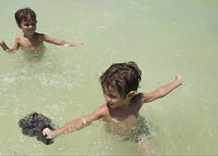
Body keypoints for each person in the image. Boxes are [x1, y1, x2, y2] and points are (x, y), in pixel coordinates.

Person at [42, 61, 183, 149]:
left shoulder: (138, 100)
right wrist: (55, 133)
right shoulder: (105, 111)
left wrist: (176, 82)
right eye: (105, 93)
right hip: (116, 137)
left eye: (112, 96)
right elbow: (83, 121)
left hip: (140, 133)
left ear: (130, 95)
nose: (106, 98)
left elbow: (159, 92)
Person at [0, 7, 83, 52]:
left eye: (33, 24)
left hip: (41, 57)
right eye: (26, 24)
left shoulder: (41, 37)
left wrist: (74, 44)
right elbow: (12, 52)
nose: (30, 26)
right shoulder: (19, 39)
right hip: (28, 60)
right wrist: (3, 44)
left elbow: (58, 42)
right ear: (20, 26)